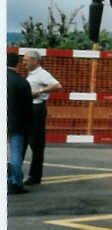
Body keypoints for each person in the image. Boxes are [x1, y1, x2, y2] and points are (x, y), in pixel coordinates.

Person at [22, 50, 62, 185]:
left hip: (36, 109)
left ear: (35, 61)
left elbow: (57, 85)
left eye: (26, 60)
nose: (24, 62)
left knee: (36, 144)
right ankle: (30, 175)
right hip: (30, 109)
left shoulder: (42, 74)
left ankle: (35, 176)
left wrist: (39, 91)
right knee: (28, 141)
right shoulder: (33, 74)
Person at [7, 53, 33, 194]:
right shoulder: (22, 82)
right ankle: (15, 183)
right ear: (17, 64)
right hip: (16, 124)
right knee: (15, 154)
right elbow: (28, 107)